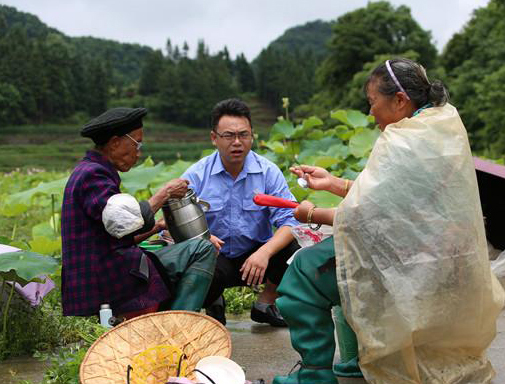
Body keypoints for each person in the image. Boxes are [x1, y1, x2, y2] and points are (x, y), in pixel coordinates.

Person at [273, 58, 505, 384]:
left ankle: (313, 376)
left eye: (372, 103)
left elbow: (364, 218)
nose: (370, 114)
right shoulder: (441, 124)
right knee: (343, 271)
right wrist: (333, 183)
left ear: (399, 100)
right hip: (437, 252)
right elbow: (392, 198)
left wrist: (309, 214)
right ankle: (362, 360)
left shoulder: (403, 140)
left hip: (406, 254)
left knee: (303, 275)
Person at [61, 107, 216, 320]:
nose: (139, 152)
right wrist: (165, 193)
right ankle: (179, 326)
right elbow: (123, 222)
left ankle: (170, 319)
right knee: (202, 249)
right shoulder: (93, 175)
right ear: (115, 143)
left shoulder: (92, 170)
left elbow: (116, 235)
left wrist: (158, 227)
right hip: (108, 277)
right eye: (137, 144)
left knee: (168, 246)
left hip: (107, 269)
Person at [182, 98, 300, 326]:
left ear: (252, 136)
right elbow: (175, 223)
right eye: (228, 136)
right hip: (217, 255)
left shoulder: (268, 172)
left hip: (257, 255)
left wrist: (264, 253)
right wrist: (203, 239)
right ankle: (213, 299)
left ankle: (265, 303)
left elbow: (290, 221)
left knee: (297, 249)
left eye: (243, 135)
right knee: (192, 261)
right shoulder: (197, 175)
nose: (237, 142)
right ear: (214, 138)